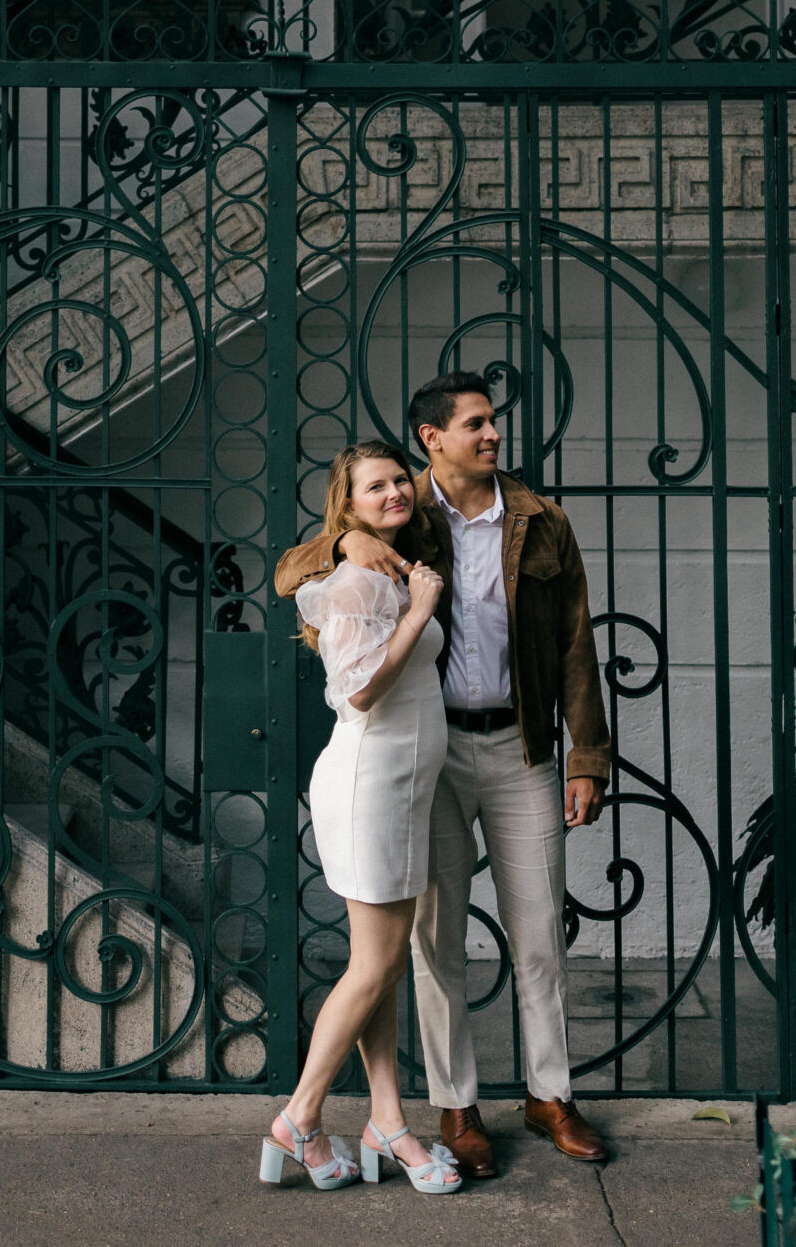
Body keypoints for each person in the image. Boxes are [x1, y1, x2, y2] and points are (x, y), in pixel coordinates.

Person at [277, 371, 612, 1178]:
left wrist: (587, 755)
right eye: (476, 423)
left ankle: (549, 1093)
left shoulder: (540, 521)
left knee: (539, 937)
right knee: (435, 943)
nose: (492, 434)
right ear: (434, 438)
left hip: (521, 749)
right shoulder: (397, 511)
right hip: (427, 759)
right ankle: (455, 1107)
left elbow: (574, 644)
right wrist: (343, 542)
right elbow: (293, 572)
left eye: (492, 421)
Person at [260, 440, 462, 1196]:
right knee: (375, 966)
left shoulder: (392, 567)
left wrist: (410, 594)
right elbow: (360, 695)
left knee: (379, 967)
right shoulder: (357, 583)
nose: (393, 495)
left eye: (398, 483)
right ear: (348, 509)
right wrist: (418, 613)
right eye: (373, 489)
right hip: (368, 784)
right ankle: (300, 1117)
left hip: (401, 788)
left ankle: (386, 1121)